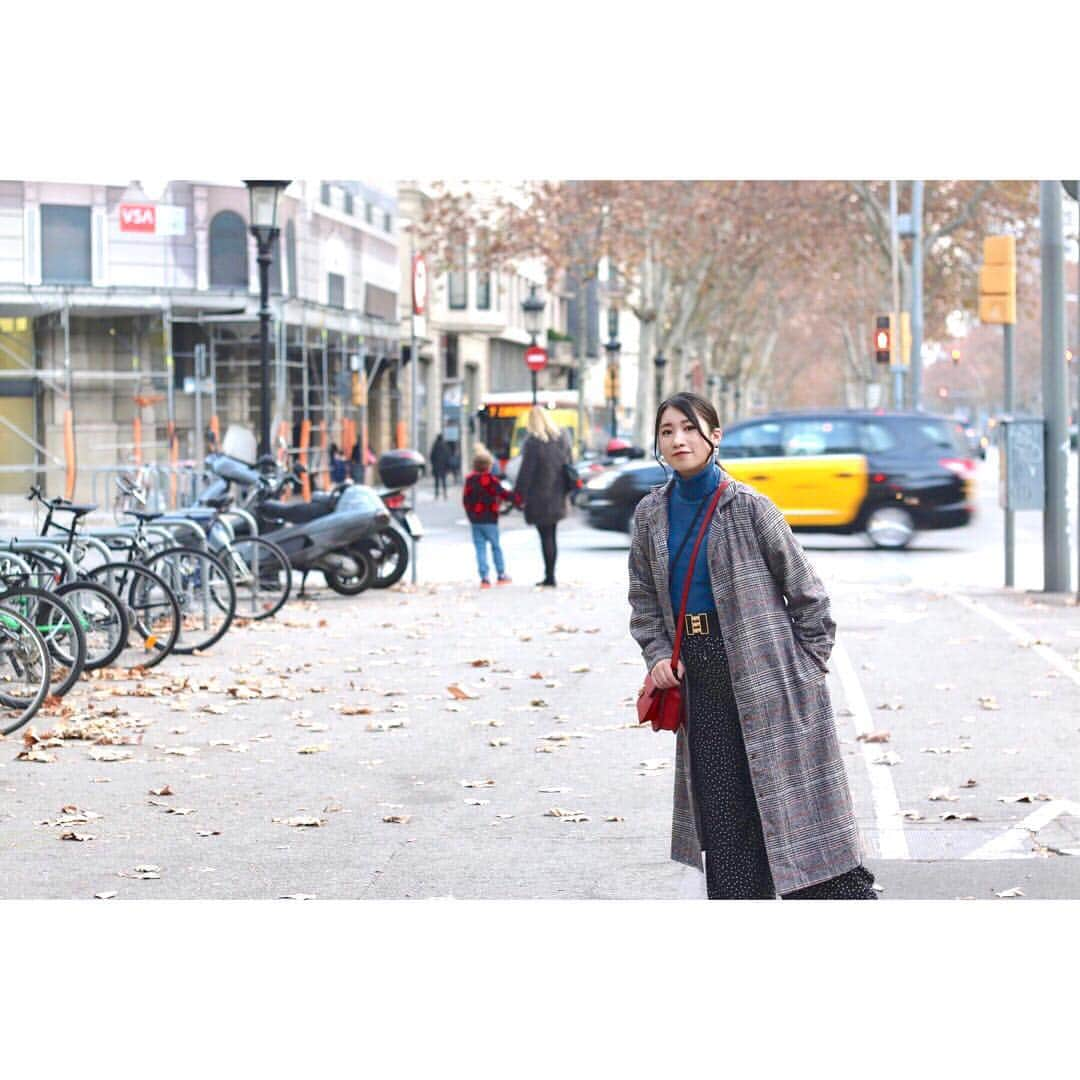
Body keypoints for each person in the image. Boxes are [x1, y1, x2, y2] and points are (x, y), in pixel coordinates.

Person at [627, 391, 878, 901]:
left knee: (796, 805)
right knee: (723, 811)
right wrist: (656, 654)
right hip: (698, 677)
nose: (678, 440)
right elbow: (643, 600)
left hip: (770, 675)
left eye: (690, 429)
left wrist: (805, 669)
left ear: (715, 437)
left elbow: (810, 598)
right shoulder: (651, 514)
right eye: (667, 431)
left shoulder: (750, 508)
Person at [513, 405, 572, 588]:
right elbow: (568, 464)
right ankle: (550, 575)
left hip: (539, 496)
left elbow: (526, 473)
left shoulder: (533, 442)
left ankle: (549, 577)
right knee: (551, 535)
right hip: (557, 494)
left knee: (545, 536)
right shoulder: (561, 438)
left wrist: (518, 495)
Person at [463, 444, 517, 589]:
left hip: (476, 520)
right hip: (490, 519)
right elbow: (503, 494)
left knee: (480, 548)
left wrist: (470, 515)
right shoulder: (492, 480)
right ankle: (500, 574)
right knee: (496, 547)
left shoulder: (470, 480)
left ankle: (484, 578)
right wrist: (517, 497)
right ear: (489, 466)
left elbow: (466, 500)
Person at [430, 433, 451, 499]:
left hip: (436, 466)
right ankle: (445, 494)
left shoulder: (435, 446)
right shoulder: (445, 446)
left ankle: (436, 494)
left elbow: (431, 456)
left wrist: (433, 464)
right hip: (444, 466)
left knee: (436, 481)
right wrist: (448, 466)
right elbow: (448, 456)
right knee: (444, 481)